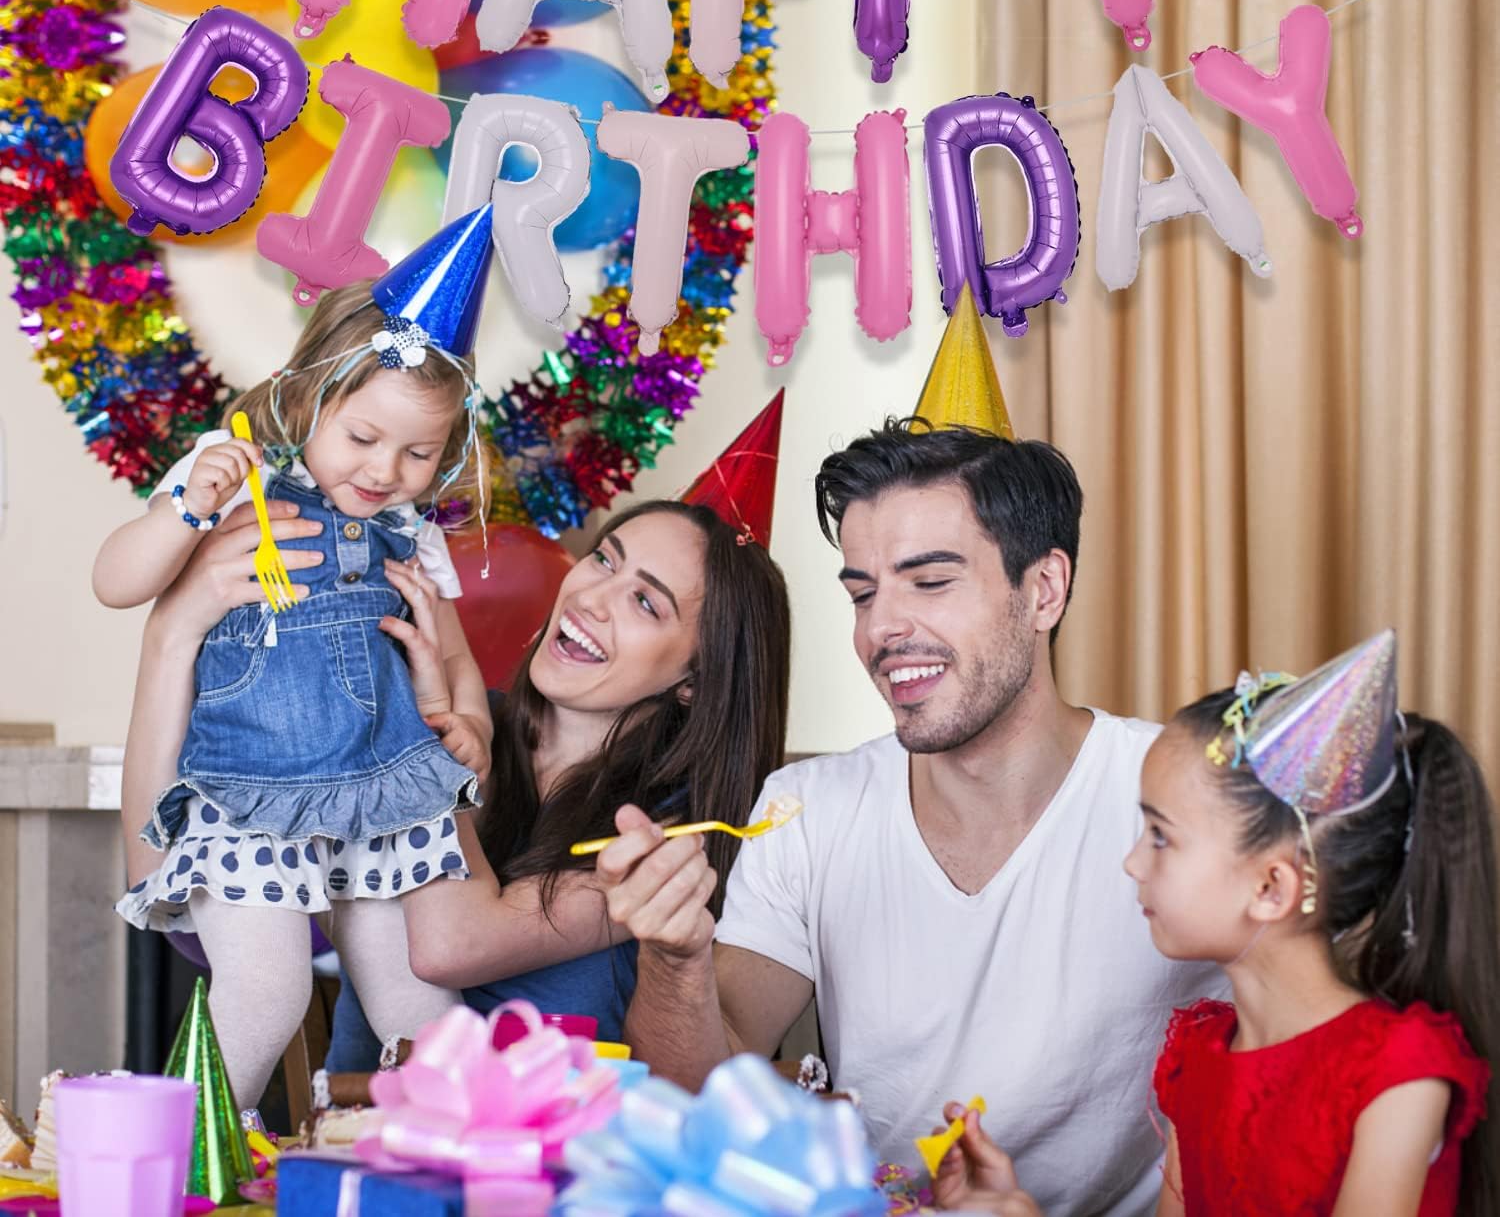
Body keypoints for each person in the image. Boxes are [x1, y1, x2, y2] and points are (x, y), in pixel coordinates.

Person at [598, 420, 1221, 1216]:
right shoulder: (806, 810)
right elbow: (701, 1099)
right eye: (863, 594)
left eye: (929, 582)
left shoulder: (1186, 795)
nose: (879, 630)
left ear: (1044, 590)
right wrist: (672, 959)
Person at [123, 393, 793, 1077]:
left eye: (645, 602)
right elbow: (155, 867)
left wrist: (419, 713)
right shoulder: (471, 726)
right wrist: (173, 631)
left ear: (696, 679)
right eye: (603, 560)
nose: (591, 598)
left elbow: (449, 948)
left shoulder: (665, 838)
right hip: (368, 1129)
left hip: (544, 1140)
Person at [99, 215, 497, 1111]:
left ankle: (462, 1156)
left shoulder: (411, 531)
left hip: (380, 791)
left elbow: (454, 656)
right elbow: (115, 583)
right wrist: (185, 513)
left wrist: (469, 719)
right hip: (248, 794)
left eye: (419, 453)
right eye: (363, 438)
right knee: (266, 992)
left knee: (419, 1002)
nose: (386, 470)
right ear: (311, 394)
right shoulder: (231, 477)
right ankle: (177, 1161)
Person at [935, 632, 1497, 1217]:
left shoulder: (1399, 1073)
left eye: (1161, 836)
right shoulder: (1200, 1057)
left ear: (1271, 888)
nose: (1132, 863)